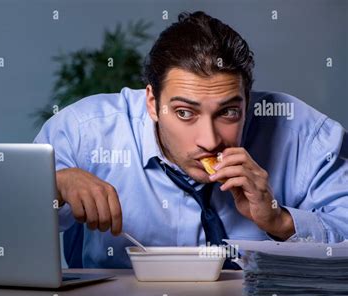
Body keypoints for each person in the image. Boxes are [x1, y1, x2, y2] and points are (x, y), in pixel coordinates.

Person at [34, 11, 348, 269]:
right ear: (152, 104)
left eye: (228, 112)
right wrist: (55, 186)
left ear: (247, 101)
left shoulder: (305, 136)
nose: (210, 141)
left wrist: (280, 221)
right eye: (185, 112)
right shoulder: (82, 131)